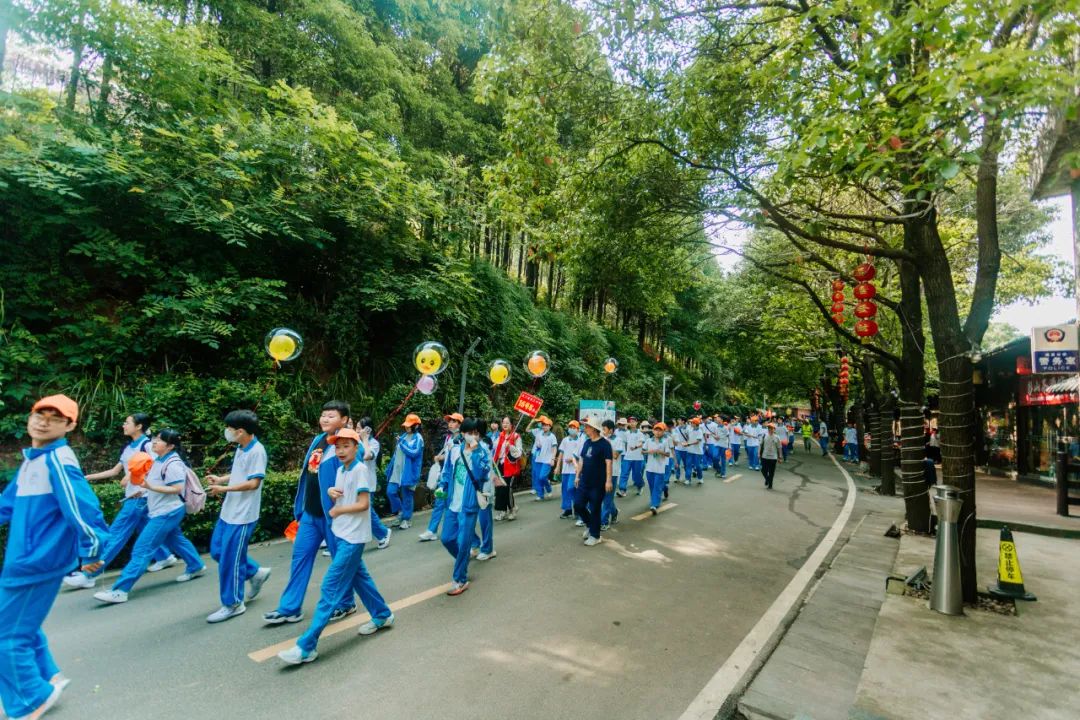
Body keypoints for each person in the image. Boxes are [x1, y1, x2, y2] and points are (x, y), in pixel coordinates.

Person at [1, 395, 109, 720]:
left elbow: (82, 506)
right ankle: (49, 677)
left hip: (36, 563)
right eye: (39, 413)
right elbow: (7, 504)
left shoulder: (57, 460)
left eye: (55, 417)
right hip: (26, 560)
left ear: (70, 425)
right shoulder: (34, 459)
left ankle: (32, 698)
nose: (44, 420)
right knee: (20, 625)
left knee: (6, 636)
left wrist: (91, 550)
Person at [277, 428, 394, 665]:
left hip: (353, 538)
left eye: (346, 446)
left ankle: (306, 646)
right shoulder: (341, 470)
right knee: (360, 579)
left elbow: (363, 504)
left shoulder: (360, 470)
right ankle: (382, 614)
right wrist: (332, 493)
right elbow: (343, 496)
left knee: (330, 588)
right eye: (337, 447)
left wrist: (338, 509)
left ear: (356, 447)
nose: (341, 451)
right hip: (341, 533)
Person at [264, 401, 358, 625]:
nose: (325, 419)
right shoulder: (318, 441)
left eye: (331, 416)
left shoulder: (350, 443)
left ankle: (346, 603)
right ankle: (290, 608)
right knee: (300, 558)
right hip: (311, 514)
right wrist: (300, 508)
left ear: (344, 420)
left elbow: (357, 474)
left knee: (339, 561)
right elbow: (308, 475)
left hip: (334, 515)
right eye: (323, 415)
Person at [94, 429, 206, 605]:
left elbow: (177, 489)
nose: (154, 442)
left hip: (167, 512)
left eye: (159, 440)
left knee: (142, 549)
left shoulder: (173, 464)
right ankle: (196, 565)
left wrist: (149, 487)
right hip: (164, 509)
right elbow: (156, 484)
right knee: (176, 540)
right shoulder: (159, 460)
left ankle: (120, 590)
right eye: (154, 438)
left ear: (170, 446)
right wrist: (144, 490)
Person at [63, 413, 174, 590]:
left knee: (115, 533)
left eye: (127, 422)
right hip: (138, 497)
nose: (123, 425)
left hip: (139, 496)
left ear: (138, 426)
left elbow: (154, 466)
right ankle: (166, 557)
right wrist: (87, 477)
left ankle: (90, 574)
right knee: (153, 531)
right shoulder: (129, 447)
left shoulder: (148, 445)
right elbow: (115, 471)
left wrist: (130, 477)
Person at [202, 410, 272, 623]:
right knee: (217, 551)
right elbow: (241, 474)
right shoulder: (242, 448)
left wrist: (222, 490)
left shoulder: (257, 451)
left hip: (242, 515)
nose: (227, 433)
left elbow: (253, 483)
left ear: (240, 431)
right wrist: (222, 479)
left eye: (230, 429)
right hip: (229, 511)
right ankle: (254, 572)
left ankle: (233, 604)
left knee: (230, 561)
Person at [439, 419, 493, 595]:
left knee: (463, 542)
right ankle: (462, 560)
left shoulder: (483, 450)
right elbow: (447, 471)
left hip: (469, 504)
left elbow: (482, 473)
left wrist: (476, 452)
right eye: (470, 432)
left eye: (477, 433)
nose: (473, 436)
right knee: (447, 538)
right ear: (463, 433)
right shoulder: (454, 450)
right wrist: (442, 485)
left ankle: (460, 579)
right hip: (453, 502)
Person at [419, 413, 463, 542]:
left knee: (454, 508)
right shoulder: (449, 438)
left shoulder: (462, 440)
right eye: (450, 421)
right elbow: (449, 456)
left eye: (454, 421)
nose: (450, 423)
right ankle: (431, 530)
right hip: (445, 478)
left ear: (460, 424)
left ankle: (467, 537)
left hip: (455, 480)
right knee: (439, 503)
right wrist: (440, 457)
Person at [573, 417, 613, 546]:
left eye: (587, 426)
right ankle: (590, 525)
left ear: (594, 429)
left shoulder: (605, 444)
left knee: (595, 508)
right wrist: (577, 476)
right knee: (578, 505)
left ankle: (595, 536)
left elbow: (608, 463)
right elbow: (581, 460)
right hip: (585, 481)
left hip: (598, 483)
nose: (585, 428)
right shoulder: (587, 442)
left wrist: (608, 481)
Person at [356, 417, 391, 550]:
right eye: (357, 427)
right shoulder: (355, 441)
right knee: (361, 511)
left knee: (367, 511)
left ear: (367, 430)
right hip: (356, 482)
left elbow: (367, 456)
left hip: (367, 482)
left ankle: (383, 533)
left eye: (359, 428)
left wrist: (364, 439)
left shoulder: (374, 443)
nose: (357, 430)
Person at [385, 414, 424, 530]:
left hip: (409, 472)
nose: (406, 428)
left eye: (409, 426)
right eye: (406, 425)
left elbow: (414, 452)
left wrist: (401, 443)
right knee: (390, 492)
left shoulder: (418, 438)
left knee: (407, 496)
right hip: (397, 471)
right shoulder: (404, 436)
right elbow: (397, 453)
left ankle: (406, 519)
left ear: (416, 426)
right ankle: (401, 512)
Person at [493, 416, 522, 521]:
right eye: (503, 422)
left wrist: (511, 447)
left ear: (511, 425)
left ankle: (512, 509)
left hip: (510, 466)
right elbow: (495, 449)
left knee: (507, 489)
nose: (504, 425)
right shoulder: (500, 436)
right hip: (499, 465)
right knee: (499, 489)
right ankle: (502, 511)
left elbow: (519, 453)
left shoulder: (516, 437)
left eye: (507, 423)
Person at [555, 420, 583, 519]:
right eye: (570, 427)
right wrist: (558, 466)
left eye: (574, 427)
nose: (572, 429)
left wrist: (573, 460)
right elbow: (561, 454)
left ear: (578, 429)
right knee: (565, 490)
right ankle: (568, 510)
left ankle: (577, 508)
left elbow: (581, 455)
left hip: (575, 469)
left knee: (571, 488)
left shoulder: (581, 440)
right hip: (565, 469)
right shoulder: (565, 440)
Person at [527, 416, 558, 501]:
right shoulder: (539, 434)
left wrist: (553, 459)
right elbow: (537, 444)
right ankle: (540, 495)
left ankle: (548, 488)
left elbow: (554, 448)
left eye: (546, 425)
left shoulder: (552, 436)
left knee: (542, 477)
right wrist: (538, 446)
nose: (544, 426)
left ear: (550, 426)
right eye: (543, 425)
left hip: (547, 460)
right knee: (537, 477)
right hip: (538, 458)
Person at [644, 422, 669, 513]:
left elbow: (667, 454)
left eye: (660, 430)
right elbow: (643, 451)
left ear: (663, 432)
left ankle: (654, 504)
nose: (658, 432)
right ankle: (664, 488)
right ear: (653, 431)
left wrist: (660, 452)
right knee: (652, 486)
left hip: (660, 468)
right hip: (649, 468)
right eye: (656, 430)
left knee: (656, 487)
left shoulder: (665, 442)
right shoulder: (648, 441)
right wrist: (649, 451)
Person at [600, 419, 621, 529]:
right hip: (601, 472)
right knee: (603, 497)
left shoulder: (618, 440)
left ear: (611, 430)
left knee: (608, 497)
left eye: (604, 429)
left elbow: (616, 456)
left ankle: (604, 521)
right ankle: (614, 511)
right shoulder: (601, 439)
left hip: (613, 473)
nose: (603, 431)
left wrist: (608, 444)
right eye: (602, 429)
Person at [620, 417, 646, 496]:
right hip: (627, 457)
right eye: (630, 422)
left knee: (637, 475)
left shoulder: (640, 433)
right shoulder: (626, 433)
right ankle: (622, 490)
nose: (632, 423)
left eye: (633, 421)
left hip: (638, 458)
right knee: (624, 473)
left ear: (637, 423)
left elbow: (642, 443)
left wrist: (635, 447)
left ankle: (640, 486)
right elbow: (622, 442)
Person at [760, 423, 783, 489]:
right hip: (765, 456)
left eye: (771, 428)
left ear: (774, 429)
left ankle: (770, 484)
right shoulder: (764, 436)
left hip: (773, 457)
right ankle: (767, 479)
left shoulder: (777, 437)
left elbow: (779, 447)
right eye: (769, 428)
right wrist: (759, 453)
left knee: (771, 472)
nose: (770, 429)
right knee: (763, 470)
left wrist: (780, 457)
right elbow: (761, 445)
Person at [686, 417, 705, 484]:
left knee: (697, 466)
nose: (691, 423)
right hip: (690, 451)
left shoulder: (700, 431)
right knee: (688, 465)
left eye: (692, 422)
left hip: (698, 452)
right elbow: (688, 438)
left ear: (695, 424)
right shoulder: (690, 430)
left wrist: (688, 444)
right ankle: (688, 479)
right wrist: (686, 443)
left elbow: (697, 441)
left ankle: (700, 478)